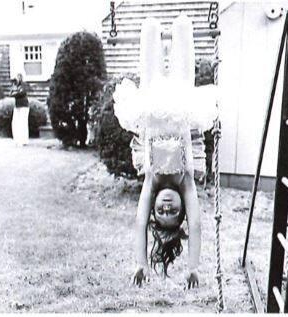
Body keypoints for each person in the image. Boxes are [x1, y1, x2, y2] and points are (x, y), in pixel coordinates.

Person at [113, 15, 219, 288]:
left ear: (154, 210)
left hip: (150, 94)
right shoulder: (186, 182)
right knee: (183, 25)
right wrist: (193, 267)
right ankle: (182, 26)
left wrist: (141, 263)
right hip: (182, 93)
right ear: (183, 209)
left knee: (149, 26)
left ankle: (151, 27)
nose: (167, 208)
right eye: (174, 214)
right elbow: (195, 226)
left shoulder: (152, 180)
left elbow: (139, 224)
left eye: (161, 213)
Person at [10, 73, 29, 146]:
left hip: (24, 106)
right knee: (15, 122)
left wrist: (16, 92)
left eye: (19, 77)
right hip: (17, 105)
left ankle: (23, 140)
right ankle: (17, 139)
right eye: (17, 77)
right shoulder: (15, 85)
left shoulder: (24, 84)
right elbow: (11, 94)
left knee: (23, 123)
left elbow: (22, 93)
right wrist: (16, 92)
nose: (18, 78)